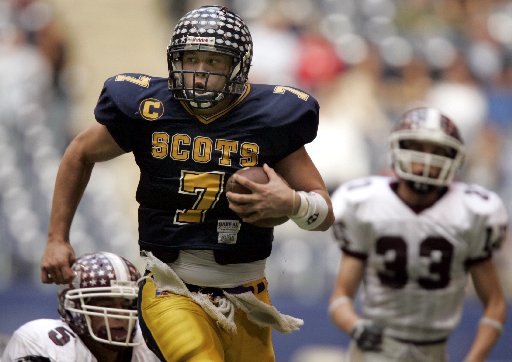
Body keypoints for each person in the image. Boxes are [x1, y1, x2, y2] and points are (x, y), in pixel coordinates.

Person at [40, 5, 334, 362]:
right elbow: (79, 154)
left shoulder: (269, 118)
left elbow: (324, 211)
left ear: (238, 65)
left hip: (249, 294)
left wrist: (292, 205)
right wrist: (57, 237)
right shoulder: (148, 108)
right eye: (190, 58)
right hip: (171, 286)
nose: (198, 73)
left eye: (213, 62)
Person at [328, 107, 507, 362]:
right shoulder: (365, 202)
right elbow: (340, 297)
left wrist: (474, 358)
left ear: (454, 158)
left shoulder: (473, 211)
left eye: (437, 151)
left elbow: (495, 303)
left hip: (434, 351)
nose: (427, 159)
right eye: (418, 148)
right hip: (376, 350)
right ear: (397, 149)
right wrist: (355, 326)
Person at [3, 251, 159, 362]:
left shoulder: (150, 345)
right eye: (106, 304)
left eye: (128, 304)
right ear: (73, 310)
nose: (121, 314)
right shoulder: (47, 345)